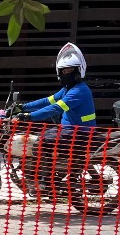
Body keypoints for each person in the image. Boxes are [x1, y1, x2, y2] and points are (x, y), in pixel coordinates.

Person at [18, 43, 97, 183]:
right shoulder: (68, 89)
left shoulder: (79, 91)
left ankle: (45, 181)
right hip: (69, 130)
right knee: (38, 138)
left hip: (79, 134)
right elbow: (48, 101)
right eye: (62, 71)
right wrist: (23, 107)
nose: (63, 74)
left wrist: (29, 117)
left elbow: (55, 108)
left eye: (67, 71)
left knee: (41, 142)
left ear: (78, 71)